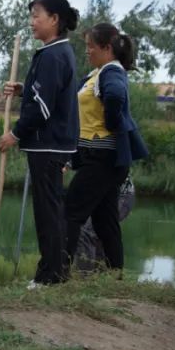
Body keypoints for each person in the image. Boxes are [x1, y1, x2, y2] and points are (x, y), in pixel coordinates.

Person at [0, 0, 79, 287]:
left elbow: (43, 108)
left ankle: (50, 277)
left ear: (54, 20)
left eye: (37, 16)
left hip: (48, 144)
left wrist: (15, 134)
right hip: (53, 143)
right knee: (50, 210)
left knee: (48, 213)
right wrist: (23, 88)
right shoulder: (57, 52)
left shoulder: (53, 55)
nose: (32, 22)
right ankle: (53, 273)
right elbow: (45, 95)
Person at [63, 23, 148, 276]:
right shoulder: (96, 74)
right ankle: (115, 274)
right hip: (99, 157)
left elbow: (115, 96)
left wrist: (112, 122)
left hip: (103, 156)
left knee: (70, 212)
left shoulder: (112, 72)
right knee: (105, 220)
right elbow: (67, 98)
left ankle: (57, 273)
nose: (87, 51)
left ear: (107, 48)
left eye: (91, 46)